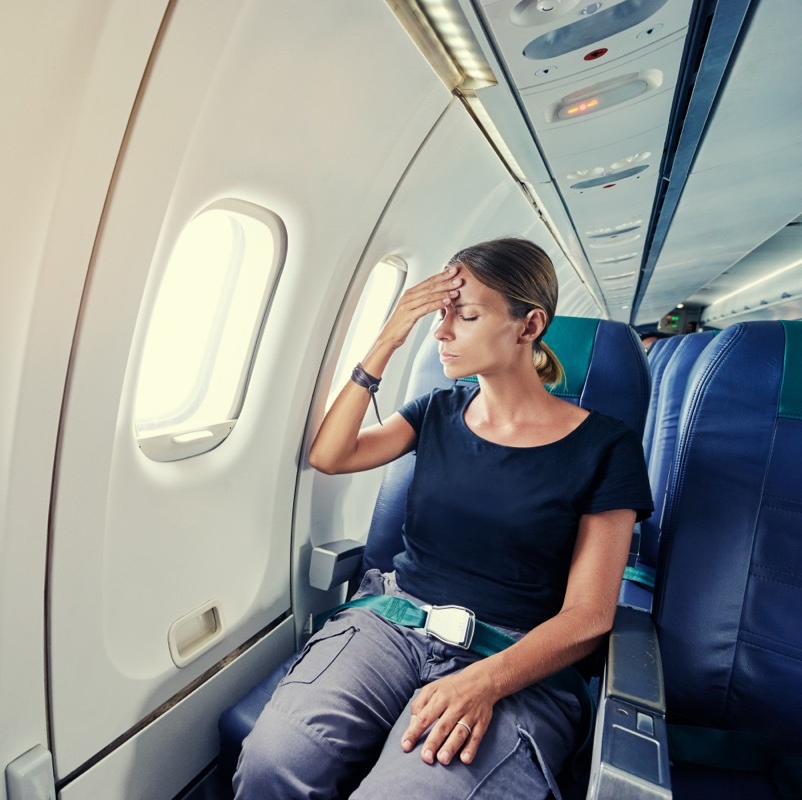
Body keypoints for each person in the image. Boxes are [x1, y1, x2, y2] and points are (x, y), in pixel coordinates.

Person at [234, 238, 653, 799]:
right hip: (392, 621)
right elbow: (330, 456)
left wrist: (486, 681)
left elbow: (589, 615)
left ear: (529, 326)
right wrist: (387, 337)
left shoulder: (607, 446)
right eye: (440, 314)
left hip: (511, 652)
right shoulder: (435, 411)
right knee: (273, 762)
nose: (441, 332)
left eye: (468, 315)